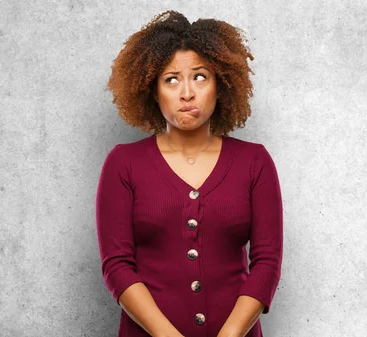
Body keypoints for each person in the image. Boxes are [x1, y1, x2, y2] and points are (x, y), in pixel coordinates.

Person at [95, 10, 283, 337]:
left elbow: (267, 264)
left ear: (220, 86)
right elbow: (117, 267)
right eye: (171, 79)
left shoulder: (255, 161)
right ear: (153, 90)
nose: (186, 93)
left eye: (199, 77)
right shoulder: (123, 164)